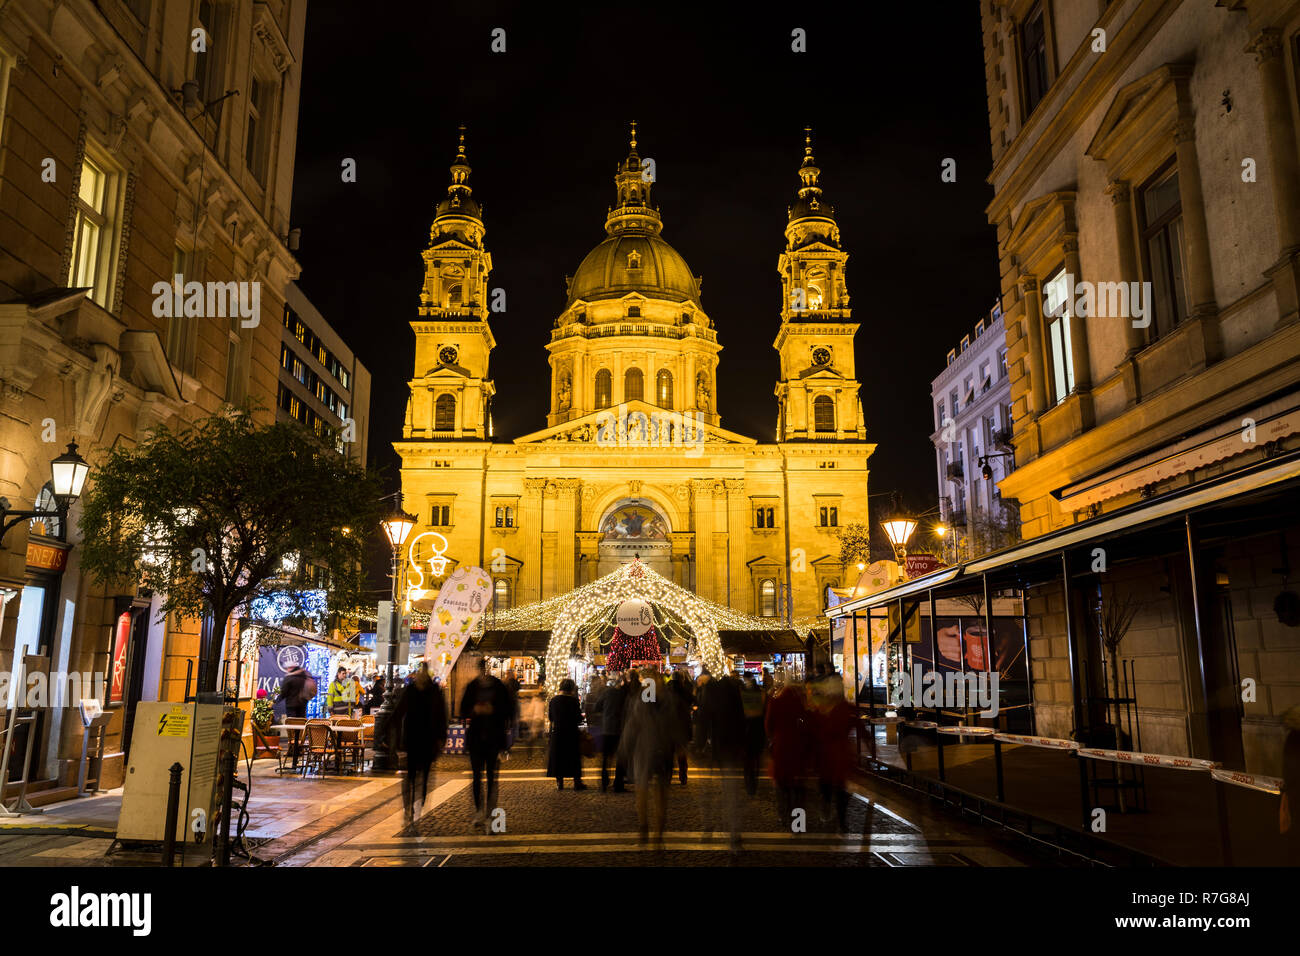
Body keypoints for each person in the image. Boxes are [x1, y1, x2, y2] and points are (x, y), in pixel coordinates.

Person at [619, 670, 675, 847]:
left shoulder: (644, 700)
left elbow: (632, 724)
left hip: (649, 749)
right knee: (656, 792)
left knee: (647, 790)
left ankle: (649, 828)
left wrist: (624, 748)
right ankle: (654, 830)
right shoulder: (665, 700)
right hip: (658, 749)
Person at [459, 657, 514, 832]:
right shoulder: (472, 687)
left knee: (491, 777)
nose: (482, 670)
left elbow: (508, 710)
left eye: (484, 667)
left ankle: (490, 814)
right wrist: (474, 710)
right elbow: (462, 710)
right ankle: (479, 812)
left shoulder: (498, 686)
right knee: (476, 777)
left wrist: (493, 710)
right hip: (476, 737)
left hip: (493, 737)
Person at [392, 662, 448, 826]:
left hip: (426, 740)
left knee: (422, 777)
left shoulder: (433, 692)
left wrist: (441, 737)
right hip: (414, 739)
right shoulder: (413, 691)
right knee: (411, 776)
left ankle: (416, 807)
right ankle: (409, 809)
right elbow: (398, 712)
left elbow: (441, 717)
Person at [697, 671, 746, 848]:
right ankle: (734, 831)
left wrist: (699, 745)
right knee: (730, 790)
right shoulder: (732, 690)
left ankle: (707, 826)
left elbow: (703, 720)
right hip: (730, 746)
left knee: (706, 790)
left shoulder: (708, 692)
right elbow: (741, 719)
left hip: (714, 746)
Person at [810, 676, 857, 832]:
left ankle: (828, 810)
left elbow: (814, 729)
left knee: (828, 786)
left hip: (826, 754)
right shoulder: (846, 708)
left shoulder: (822, 708)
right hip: (839, 754)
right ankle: (841, 821)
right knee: (839, 788)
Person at [766, 679, 810, 829]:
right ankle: (799, 824)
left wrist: (773, 738)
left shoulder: (775, 703)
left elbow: (768, 726)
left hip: (781, 749)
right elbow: (807, 725)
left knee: (781, 786)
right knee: (797, 789)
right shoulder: (800, 704)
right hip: (797, 750)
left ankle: (783, 815)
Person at [547, 678, 587, 790]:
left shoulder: (553, 700)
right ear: (571, 689)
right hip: (571, 733)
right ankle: (577, 782)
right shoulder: (573, 701)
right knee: (573, 758)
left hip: (558, 733)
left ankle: (560, 782)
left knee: (559, 758)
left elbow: (551, 718)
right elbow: (578, 718)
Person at [592, 671, 628, 792]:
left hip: (607, 728)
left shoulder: (606, 693)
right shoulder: (623, 694)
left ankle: (604, 782)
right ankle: (618, 784)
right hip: (620, 729)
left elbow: (596, 707)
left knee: (606, 757)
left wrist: (604, 713)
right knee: (620, 757)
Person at [741, 673, 767, 796]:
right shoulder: (761, 692)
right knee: (756, 757)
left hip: (746, 729)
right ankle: (753, 782)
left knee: (748, 759)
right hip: (758, 728)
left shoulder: (741, 693)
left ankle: (750, 783)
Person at [667, 671, 693, 785]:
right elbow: (694, 701)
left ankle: (667, 776)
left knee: (668, 752)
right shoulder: (685, 691)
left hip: (668, 725)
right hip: (682, 726)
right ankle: (683, 776)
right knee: (681, 753)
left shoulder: (666, 690)